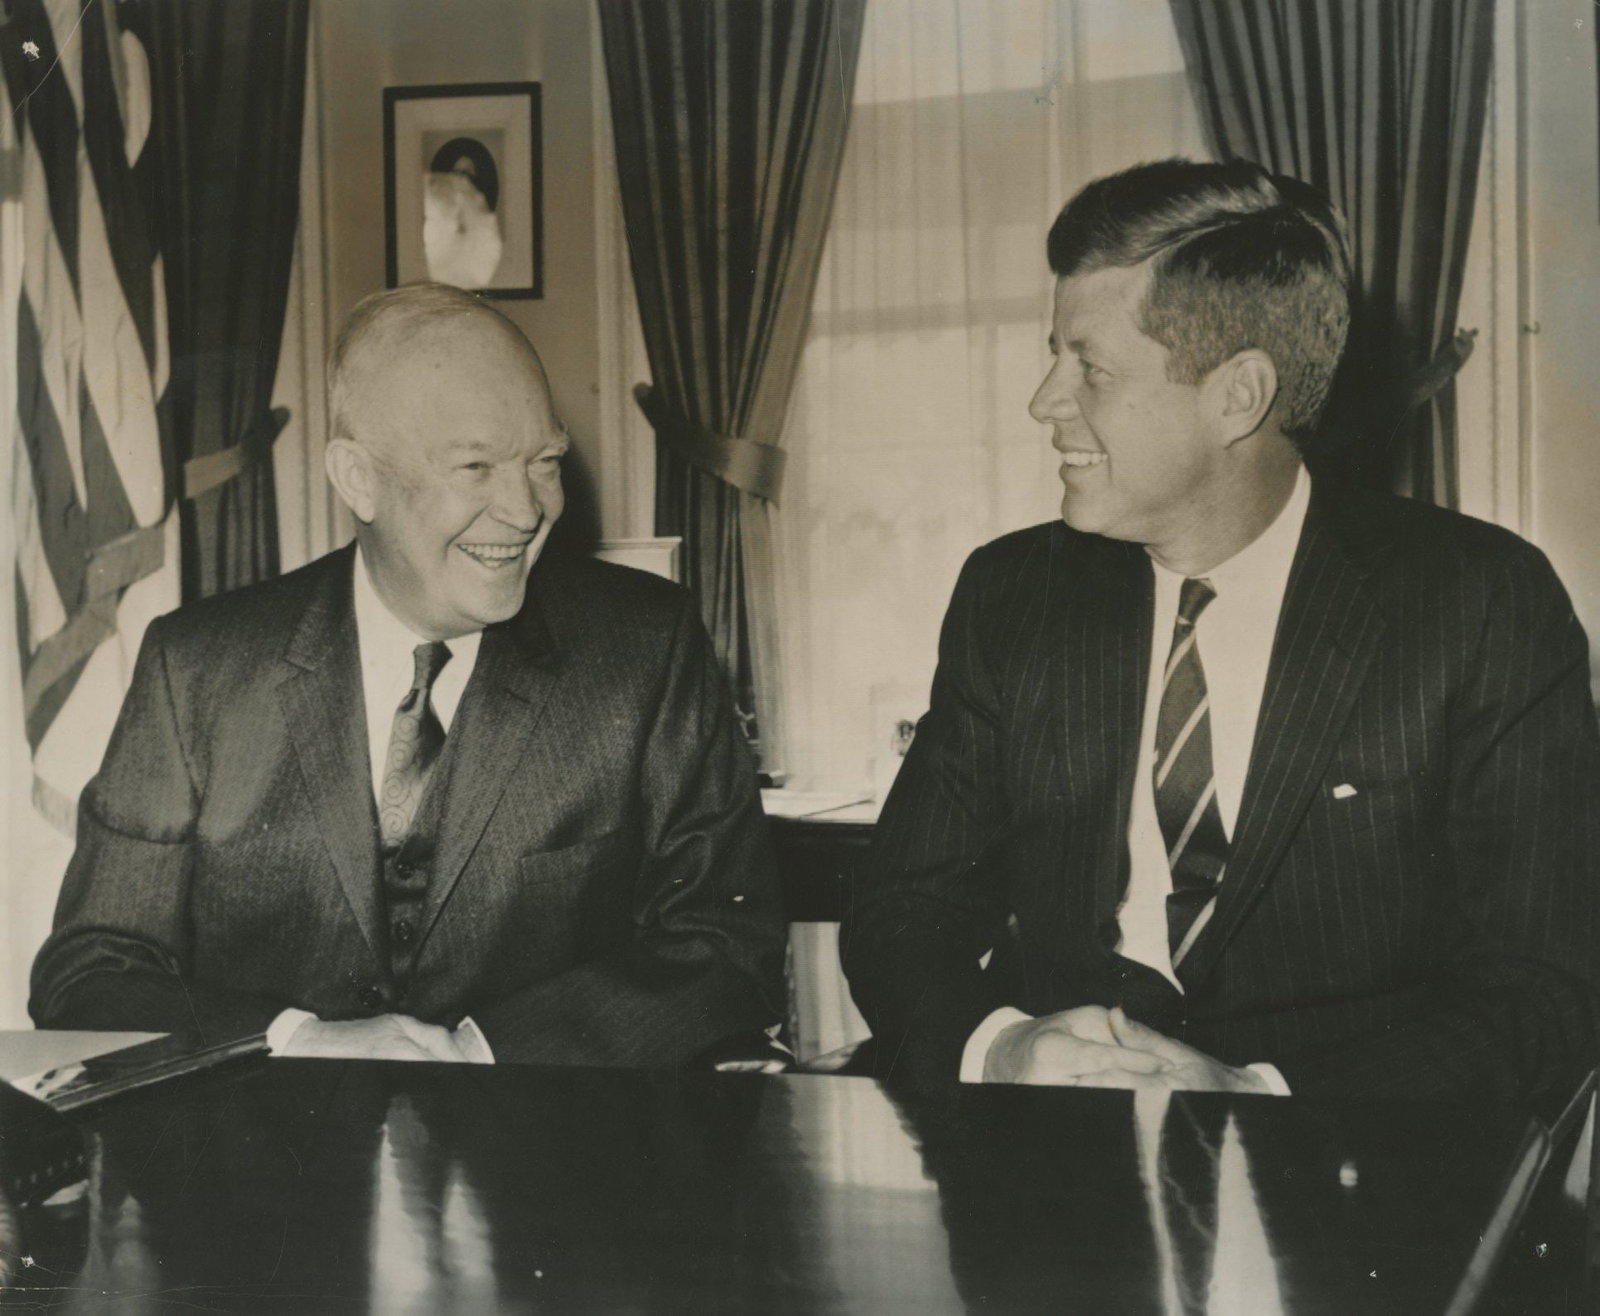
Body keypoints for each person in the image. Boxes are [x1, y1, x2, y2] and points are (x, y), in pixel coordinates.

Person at [843, 158, 1600, 1102]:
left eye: (1091, 368)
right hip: (1053, 1161)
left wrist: (1260, 1094)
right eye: (1054, 355)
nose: (1045, 402)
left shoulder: (1478, 602)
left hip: (1345, 1171)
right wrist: (997, 1047)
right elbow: (904, 909)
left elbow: (1544, 988)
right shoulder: (1014, 594)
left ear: (1238, 395)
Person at [32, 283, 786, 1066]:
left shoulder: (646, 648)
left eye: (545, 463)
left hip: (547, 1165)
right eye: (476, 467)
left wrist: (484, 1051)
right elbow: (90, 972)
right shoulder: (195, 669)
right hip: (274, 1169)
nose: (527, 511)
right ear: (359, 479)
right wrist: (298, 1041)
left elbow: (727, 945)